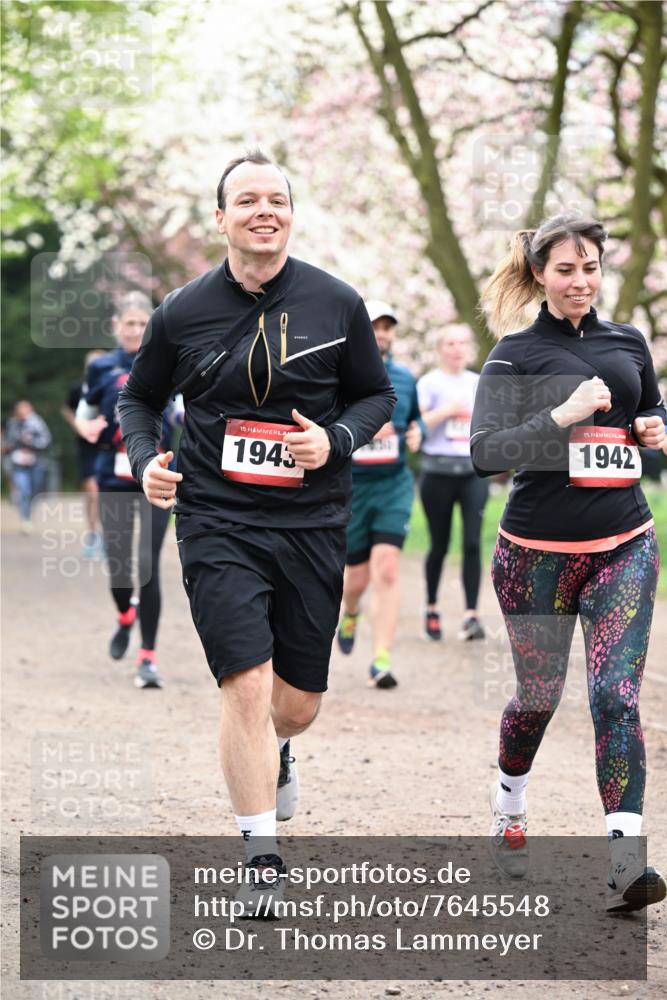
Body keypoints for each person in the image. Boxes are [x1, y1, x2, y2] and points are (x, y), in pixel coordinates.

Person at [117, 150, 396, 914]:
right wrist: (148, 461)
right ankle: (261, 852)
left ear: (291, 214)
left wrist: (333, 441)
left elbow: (375, 397)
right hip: (216, 517)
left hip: (310, 519)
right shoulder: (183, 310)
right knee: (242, 680)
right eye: (246, 200)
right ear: (221, 218)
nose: (262, 210)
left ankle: (279, 749)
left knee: (294, 704)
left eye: (276, 198)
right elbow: (139, 401)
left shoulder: (337, 303)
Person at [471, 212, 666, 913]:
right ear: (538, 275)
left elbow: (652, 427)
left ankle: (623, 861)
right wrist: (560, 415)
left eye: (589, 267)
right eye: (564, 269)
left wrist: (655, 432)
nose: (579, 280)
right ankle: (509, 805)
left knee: (615, 696)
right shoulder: (513, 355)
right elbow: (485, 454)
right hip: (535, 557)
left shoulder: (628, 342)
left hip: (623, 544)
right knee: (537, 698)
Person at [76, 293, 172, 690]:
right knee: (119, 568)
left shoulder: (167, 360)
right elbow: (84, 413)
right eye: (128, 323)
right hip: (114, 478)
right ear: (117, 326)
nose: (135, 330)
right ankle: (124, 615)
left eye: (141, 324)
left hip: (159, 476)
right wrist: (86, 428)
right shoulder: (101, 367)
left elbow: (183, 407)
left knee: (147, 564)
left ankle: (147, 656)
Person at [336, 300, 422, 689]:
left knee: (386, 567)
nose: (383, 334)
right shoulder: (338, 376)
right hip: (353, 486)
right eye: (375, 326)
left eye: (388, 327)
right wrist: (362, 430)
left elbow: (414, 421)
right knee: (355, 579)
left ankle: (381, 660)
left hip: (393, 485)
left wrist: (417, 431)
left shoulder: (405, 379)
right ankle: (350, 611)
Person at [417, 327, 489, 642]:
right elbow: (417, 426)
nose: (456, 348)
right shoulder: (429, 383)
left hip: (472, 472)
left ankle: (471, 616)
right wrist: (448, 410)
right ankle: (432, 607)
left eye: (462, 343)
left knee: (472, 543)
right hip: (437, 472)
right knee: (440, 544)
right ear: (439, 349)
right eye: (450, 343)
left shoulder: (479, 382)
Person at [62, 350, 106, 559]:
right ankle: (92, 533)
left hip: (107, 445)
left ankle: (108, 535)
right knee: (92, 490)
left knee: (106, 492)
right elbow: (67, 410)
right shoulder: (77, 387)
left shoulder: (113, 385)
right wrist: (78, 426)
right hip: (86, 445)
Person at [3, 400, 52, 533]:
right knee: (24, 490)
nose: (23, 413)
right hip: (18, 463)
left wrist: (31, 442)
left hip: (35, 462)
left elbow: (46, 440)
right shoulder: (12, 423)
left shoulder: (37, 422)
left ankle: (28, 514)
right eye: (20, 410)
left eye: (26, 410)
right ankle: (25, 519)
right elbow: (8, 442)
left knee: (34, 491)